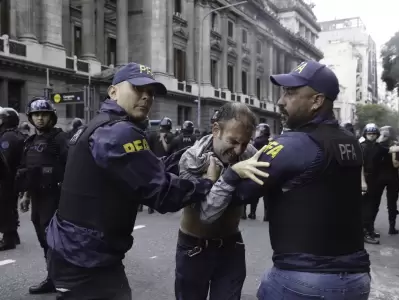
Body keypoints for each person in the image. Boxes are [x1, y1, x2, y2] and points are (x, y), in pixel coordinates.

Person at [45, 62, 267, 300]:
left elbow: (136, 171)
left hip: (75, 248)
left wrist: (179, 158)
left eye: (150, 93)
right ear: (113, 91)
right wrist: (207, 183)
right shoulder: (118, 133)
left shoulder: (99, 126)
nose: (146, 97)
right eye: (138, 89)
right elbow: (161, 193)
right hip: (84, 255)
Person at [210, 61, 372, 299]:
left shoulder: (290, 146)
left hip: (303, 280)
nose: (280, 101)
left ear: (316, 101)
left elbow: (238, 194)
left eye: (290, 93)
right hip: (356, 280)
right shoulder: (350, 142)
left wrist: (221, 176)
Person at [175, 103, 268, 300]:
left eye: (244, 142)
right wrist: (231, 176)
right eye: (233, 141)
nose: (238, 149)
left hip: (231, 246)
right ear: (216, 130)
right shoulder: (192, 159)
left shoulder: (249, 152)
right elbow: (206, 213)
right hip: (194, 248)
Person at [17, 98, 69, 294]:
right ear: (30, 118)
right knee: (43, 239)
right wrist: (25, 196)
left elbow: (72, 168)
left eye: (44, 114)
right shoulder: (30, 142)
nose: (39, 118)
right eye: (36, 114)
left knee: (57, 240)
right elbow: (28, 171)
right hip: (37, 197)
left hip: (56, 196)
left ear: (51, 116)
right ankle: (53, 278)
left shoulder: (59, 139)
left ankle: (65, 282)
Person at [0, 108, 25, 251]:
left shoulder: (7, 137)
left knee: (4, 208)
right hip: (14, 178)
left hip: (6, 179)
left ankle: (8, 239)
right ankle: (13, 235)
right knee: (10, 207)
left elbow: (4, 160)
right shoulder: (15, 134)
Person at [244, 123, 271, 221]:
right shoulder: (272, 141)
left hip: (256, 168)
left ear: (262, 131)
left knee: (252, 191)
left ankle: (251, 213)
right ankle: (267, 215)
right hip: (268, 169)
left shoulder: (257, 142)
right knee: (267, 194)